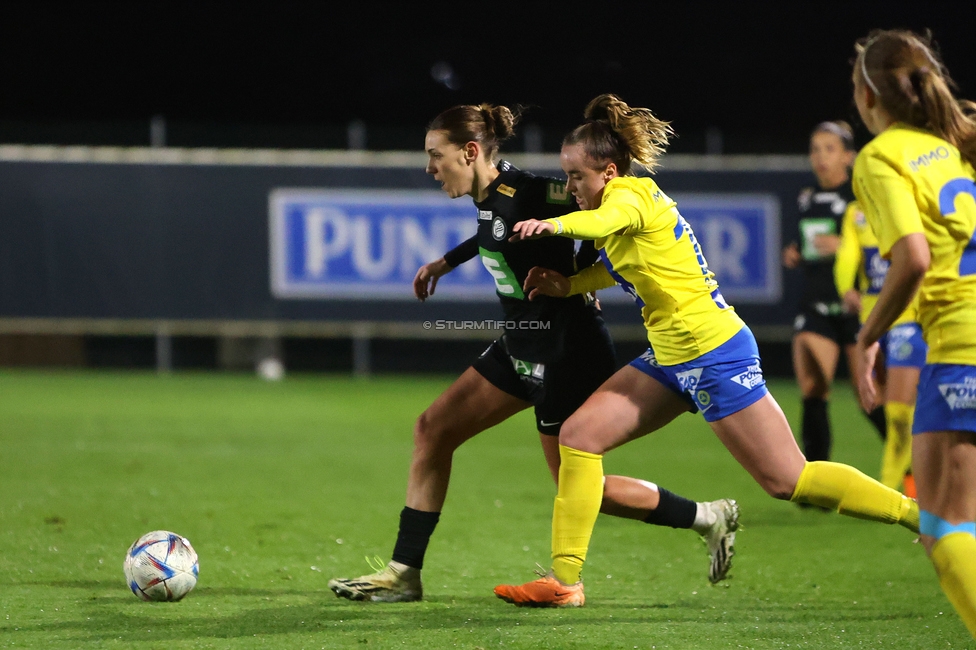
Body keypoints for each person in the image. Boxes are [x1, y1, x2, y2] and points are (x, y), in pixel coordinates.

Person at [492, 93, 920, 609]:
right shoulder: (617, 206)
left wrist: (554, 225)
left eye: (577, 178)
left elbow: (602, 226)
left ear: (607, 172)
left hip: (714, 350)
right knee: (579, 436)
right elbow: (620, 263)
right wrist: (571, 283)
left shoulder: (630, 195)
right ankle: (565, 582)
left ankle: (919, 516)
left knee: (788, 480)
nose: (570, 188)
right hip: (671, 355)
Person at [327, 103, 740, 603]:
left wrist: (577, 278)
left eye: (436, 156)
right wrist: (446, 261)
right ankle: (403, 573)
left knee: (582, 487)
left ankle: (706, 516)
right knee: (433, 430)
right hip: (522, 340)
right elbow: (493, 230)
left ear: (471, 152)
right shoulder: (493, 196)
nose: (430, 167)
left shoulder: (538, 192)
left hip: (568, 348)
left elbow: (597, 217)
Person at [848, 28, 976, 637]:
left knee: (942, 527)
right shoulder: (954, 145)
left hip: (961, 346)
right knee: (963, 523)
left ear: (870, 95)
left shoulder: (884, 156)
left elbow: (914, 258)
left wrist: (868, 335)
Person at [782, 121, 887, 471]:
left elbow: (883, 243)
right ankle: (817, 480)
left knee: (867, 395)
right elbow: (807, 244)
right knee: (813, 388)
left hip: (855, 307)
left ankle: (908, 464)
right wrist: (795, 252)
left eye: (830, 149)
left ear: (848, 156)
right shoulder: (806, 198)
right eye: (815, 149)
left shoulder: (861, 199)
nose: (821, 157)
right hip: (815, 302)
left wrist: (845, 247)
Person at [834, 189, 925, 496]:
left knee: (900, 410)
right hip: (871, 320)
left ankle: (888, 487)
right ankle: (911, 479)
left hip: (908, 318)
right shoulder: (856, 211)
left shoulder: (913, 204)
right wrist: (845, 286)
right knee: (876, 402)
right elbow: (848, 252)